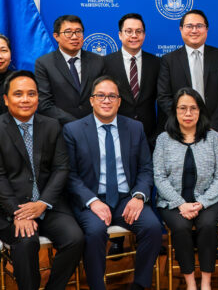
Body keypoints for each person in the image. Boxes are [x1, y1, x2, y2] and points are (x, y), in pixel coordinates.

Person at [0, 71, 85, 290]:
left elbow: (61, 168)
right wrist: (17, 213)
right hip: (12, 208)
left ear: (38, 97)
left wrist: (43, 203)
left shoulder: (52, 125)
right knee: (26, 241)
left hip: (48, 204)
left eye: (31, 94)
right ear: (6, 99)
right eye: (18, 94)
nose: (25, 99)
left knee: (75, 239)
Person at [65, 76, 162, 290]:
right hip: (92, 200)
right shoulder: (73, 130)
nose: (106, 100)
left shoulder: (135, 128)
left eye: (112, 96)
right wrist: (92, 201)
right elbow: (70, 175)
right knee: (94, 232)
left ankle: (139, 285)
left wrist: (138, 196)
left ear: (119, 101)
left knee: (153, 228)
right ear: (91, 100)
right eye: (101, 95)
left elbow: (146, 168)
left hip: (126, 198)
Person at [153, 88, 218, 290]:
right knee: (180, 227)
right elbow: (159, 177)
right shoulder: (163, 140)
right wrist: (180, 204)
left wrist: (202, 202)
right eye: (183, 108)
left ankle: (206, 282)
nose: (188, 113)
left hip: (209, 200)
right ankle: (190, 283)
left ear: (200, 111)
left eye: (193, 108)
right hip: (172, 201)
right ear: (175, 111)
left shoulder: (213, 137)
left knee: (207, 225)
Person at [157, 9, 218, 135]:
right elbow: (164, 96)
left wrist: (213, 125)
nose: (194, 30)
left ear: (206, 29)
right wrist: (183, 122)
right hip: (180, 129)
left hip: (216, 128)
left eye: (199, 26)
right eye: (189, 26)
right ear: (181, 29)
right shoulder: (168, 60)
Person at [101, 13, 161, 143]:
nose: (134, 35)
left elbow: (162, 99)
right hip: (115, 134)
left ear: (144, 35)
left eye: (138, 31)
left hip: (149, 136)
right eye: (129, 31)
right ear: (120, 35)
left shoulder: (157, 63)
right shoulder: (105, 63)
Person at [35, 14, 105, 124]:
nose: (74, 37)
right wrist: (76, 124)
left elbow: (104, 96)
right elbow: (44, 104)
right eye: (68, 32)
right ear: (56, 36)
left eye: (78, 32)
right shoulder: (44, 63)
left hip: (94, 126)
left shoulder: (98, 61)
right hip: (59, 127)